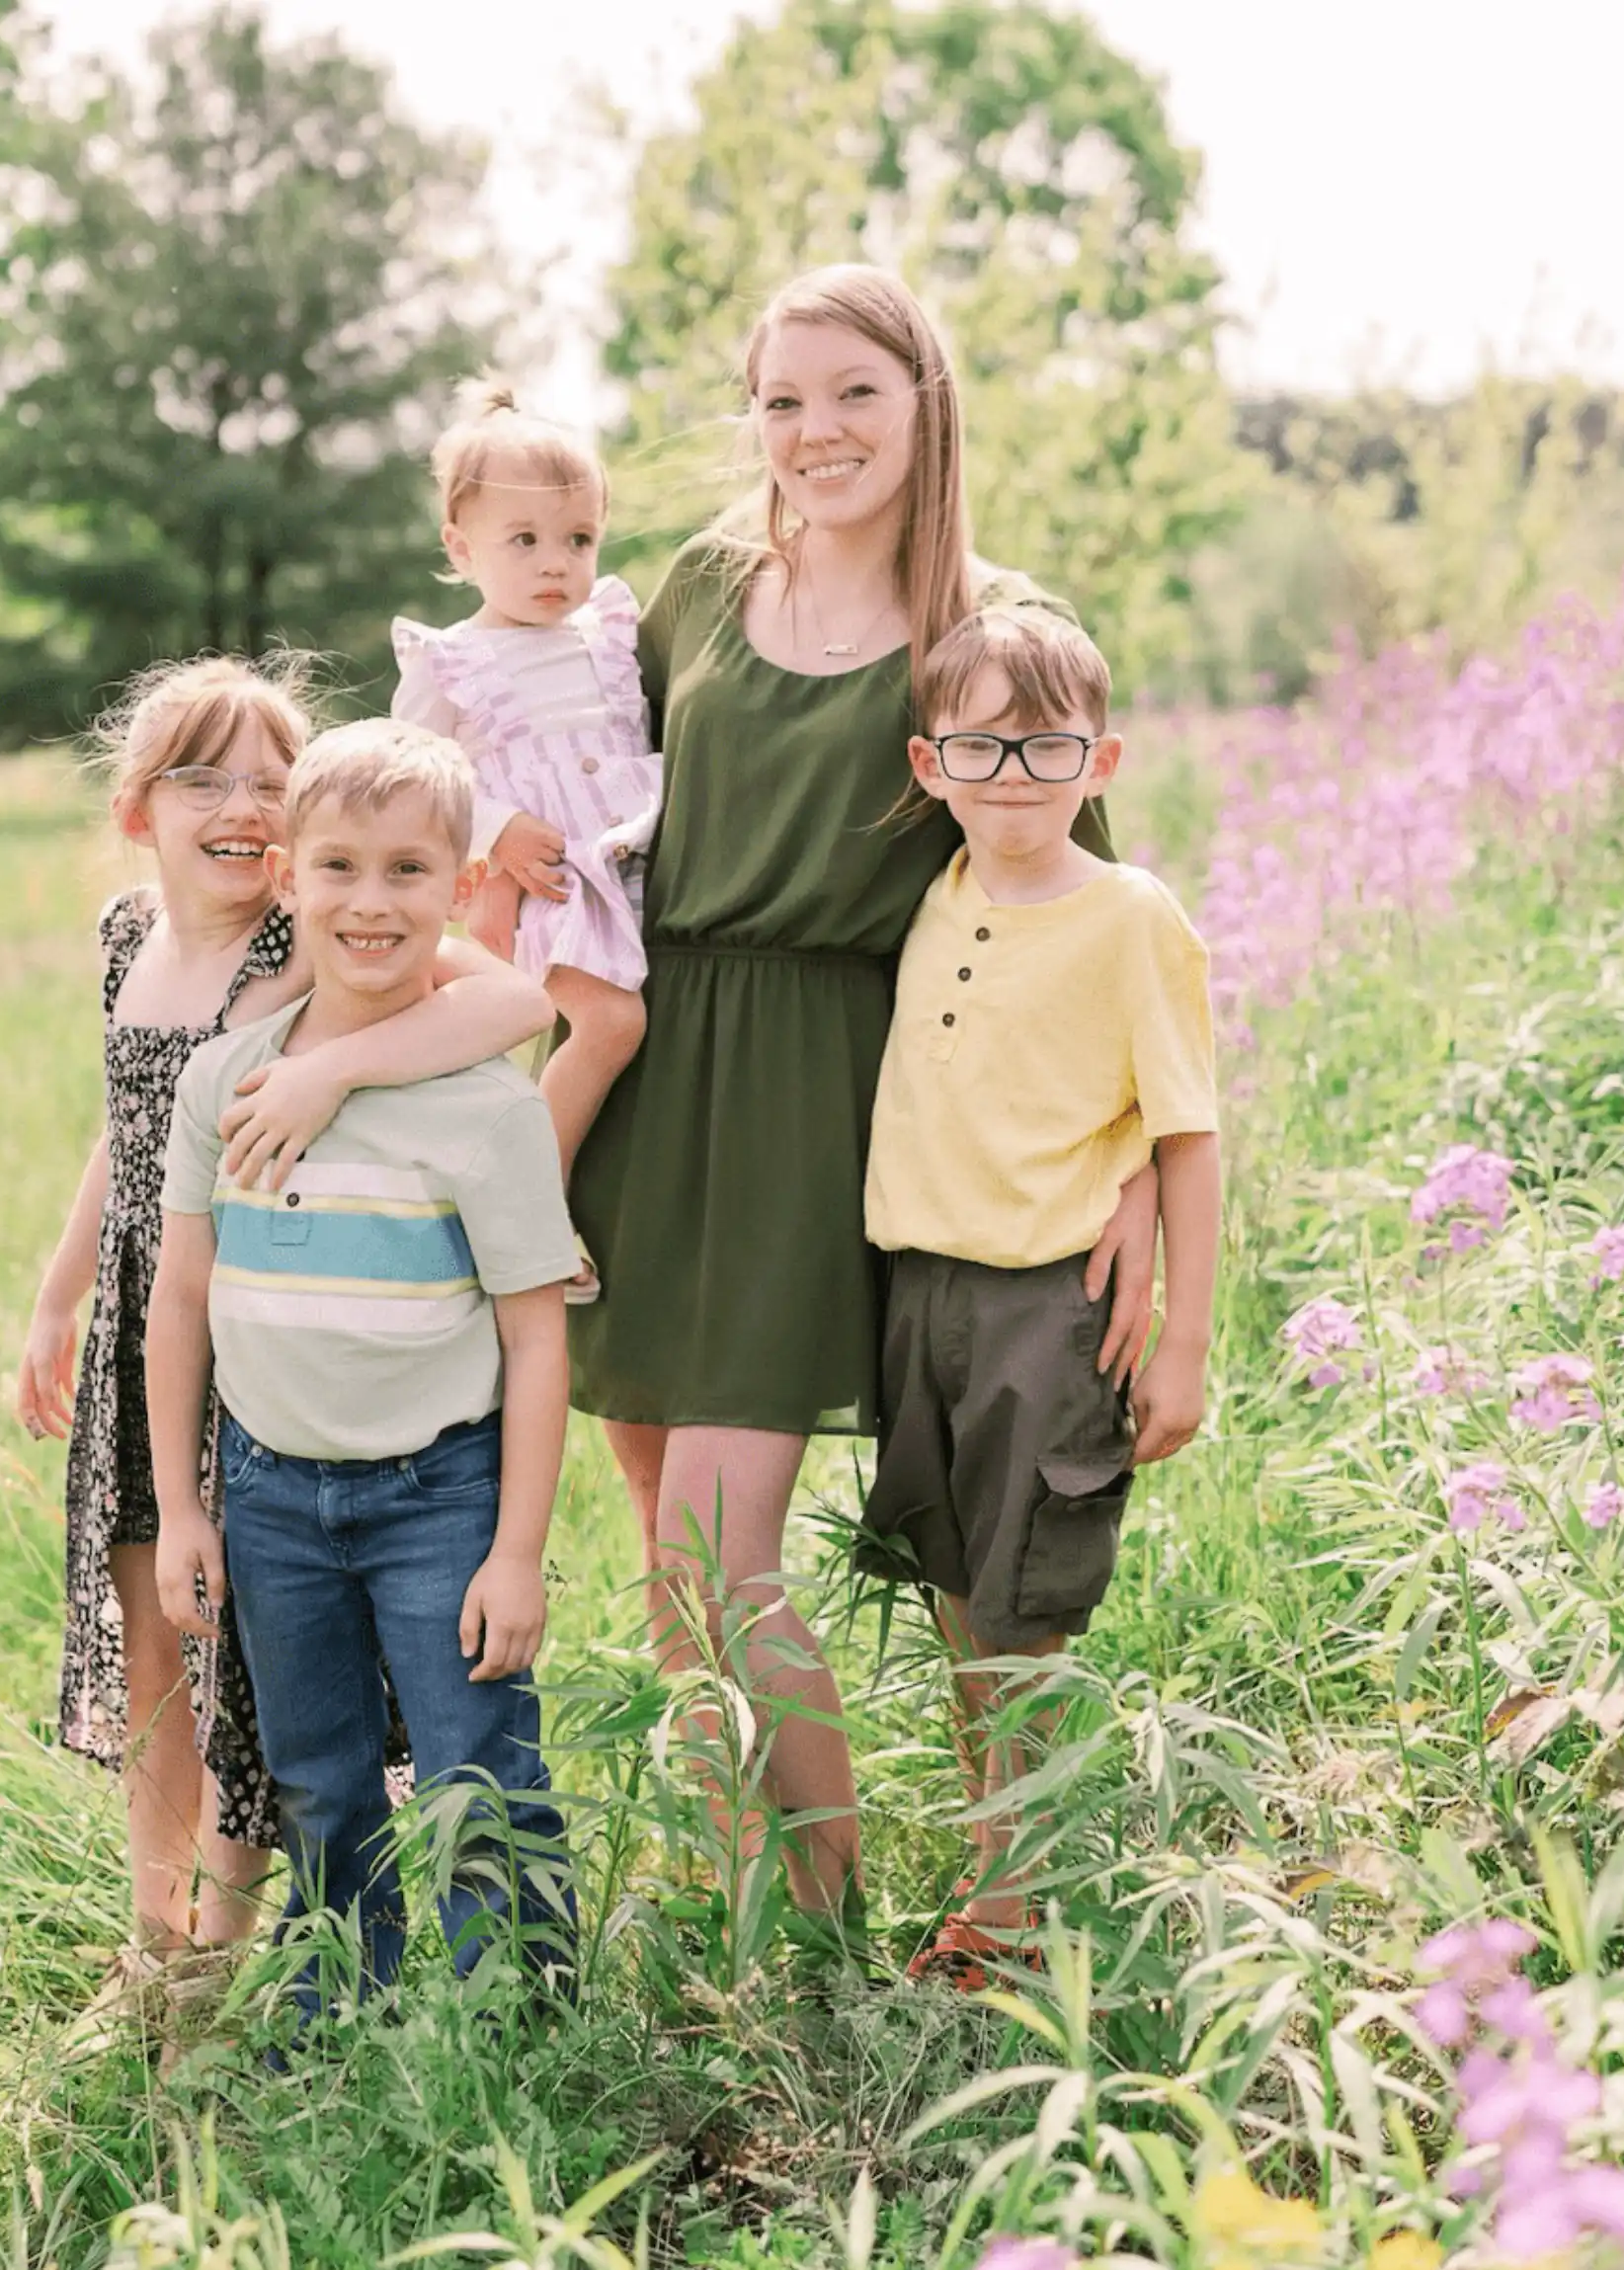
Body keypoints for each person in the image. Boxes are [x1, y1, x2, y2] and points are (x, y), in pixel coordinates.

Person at [566, 264, 1161, 1931]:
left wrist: (1127, 1180)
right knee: (665, 1559)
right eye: (780, 399)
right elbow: (592, 809)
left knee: (722, 1552)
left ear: (923, 403)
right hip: (648, 1083)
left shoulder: (984, 625)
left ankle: (828, 1926)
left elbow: (1082, 916)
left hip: (838, 1098)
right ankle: (744, 1884)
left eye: (851, 394)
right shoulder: (692, 587)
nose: (813, 431)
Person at [16, 658, 551, 1989]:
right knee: (156, 1630)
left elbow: (512, 998)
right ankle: (163, 1941)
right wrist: (58, 1284)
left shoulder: (298, 936)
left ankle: (240, 1933)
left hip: (265, 1307)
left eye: (269, 776)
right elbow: (120, 1125)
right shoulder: (127, 934)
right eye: (206, 776)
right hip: (158, 1306)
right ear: (141, 806)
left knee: (254, 1670)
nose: (242, 804)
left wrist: (331, 1066)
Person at [147, 718, 580, 2020]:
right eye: (338, 866)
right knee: (321, 1774)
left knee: (474, 1761)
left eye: (407, 872)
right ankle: (352, 1997)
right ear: (289, 876)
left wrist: (516, 1549)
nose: (370, 900)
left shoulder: (490, 1105)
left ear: (458, 895)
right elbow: (180, 1298)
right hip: (273, 1491)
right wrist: (183, 1503)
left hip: (440, 1492)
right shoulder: (226, 1082)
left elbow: (536, 1335)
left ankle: (512, 2026)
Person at [861, 607, 1220, 1986]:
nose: (1011, 775)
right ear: (927, 761)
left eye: (1044, 745)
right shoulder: (939, 891)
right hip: (919, 1293)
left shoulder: (1129, 917)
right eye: (979, 747)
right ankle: (1001, 1858)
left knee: (1027, 1607)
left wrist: (1182, 1339)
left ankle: (1019, 1911)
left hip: (1048, 1305)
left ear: (1101, 758)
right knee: (958, 1590)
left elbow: (1185, 1131)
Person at [381, 387, 661, 1298]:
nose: (557, 564)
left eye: (578, 539)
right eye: (524, 541)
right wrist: (496, 831)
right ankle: (530, 1208)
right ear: (462, 550)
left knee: (635, 1038)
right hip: (543, 887)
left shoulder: (610, 635)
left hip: (628, 866)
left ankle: (549, 1190)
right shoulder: (454, 658)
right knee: (612, 1024)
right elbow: (410, 777)